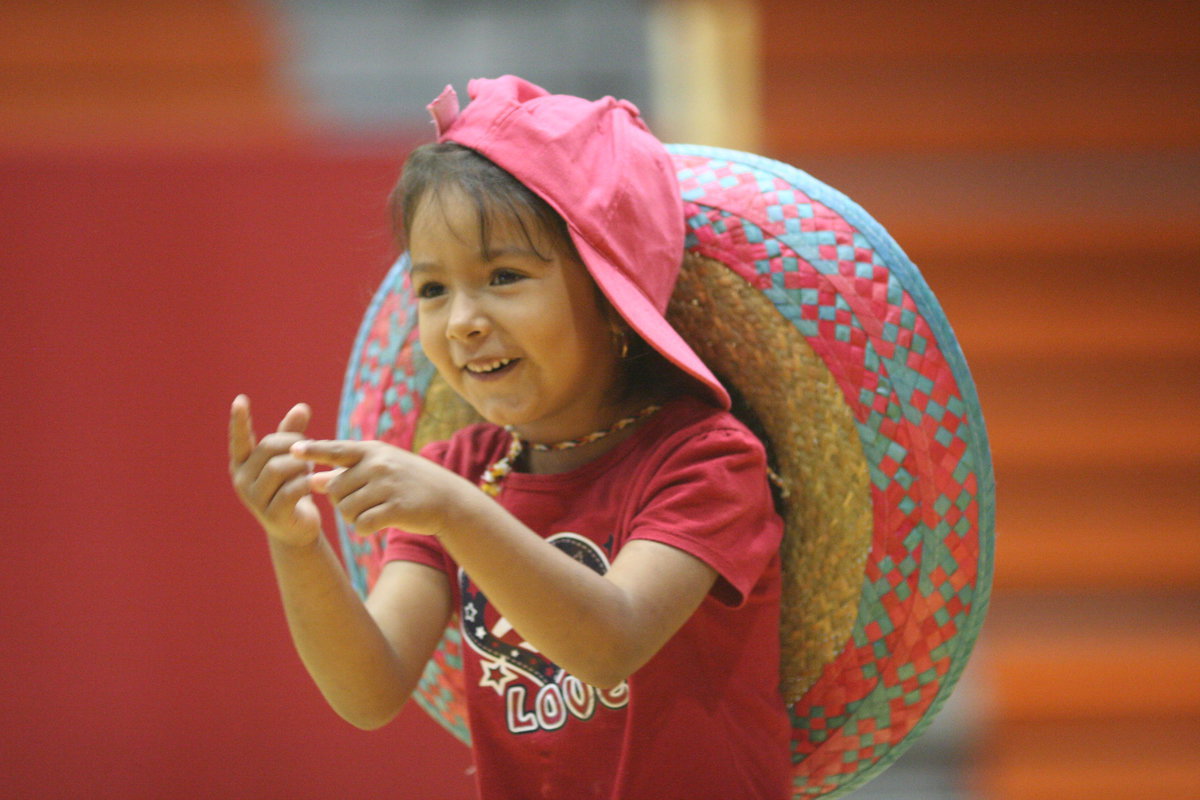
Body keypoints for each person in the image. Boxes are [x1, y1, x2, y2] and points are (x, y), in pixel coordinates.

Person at [228, 75, 791, 799]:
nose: (461, 320)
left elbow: (608, 642)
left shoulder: (707, 460)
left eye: (502, 276)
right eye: (432, 289)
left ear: (612, 298)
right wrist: (296, 543)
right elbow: (368, 691)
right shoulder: (457, 474)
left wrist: (456, 512)